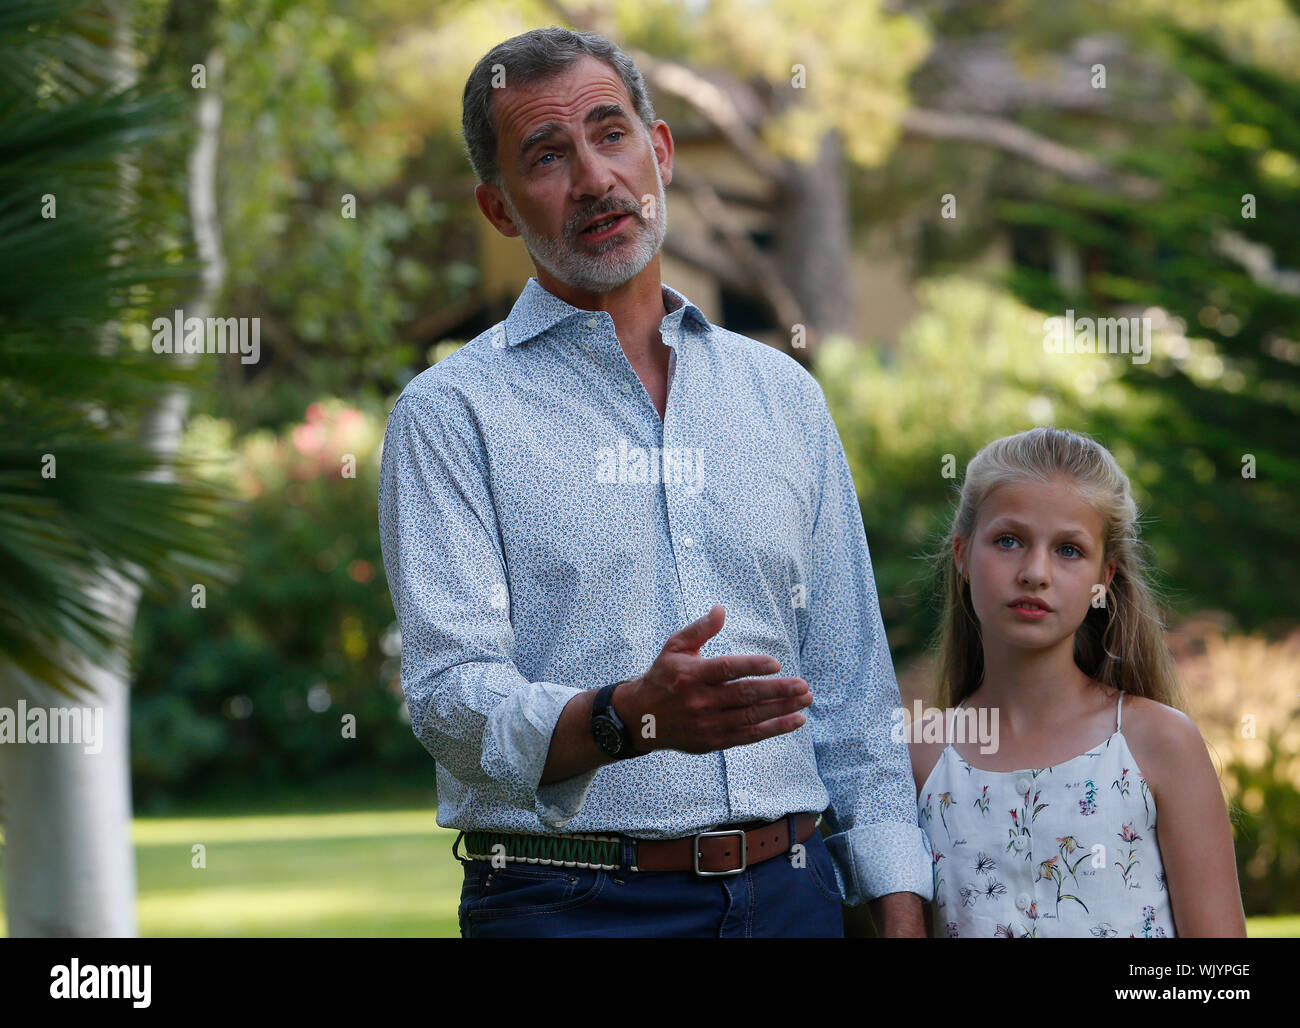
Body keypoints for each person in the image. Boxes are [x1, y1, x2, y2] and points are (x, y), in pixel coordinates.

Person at [376, 26, 932, 937]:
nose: (594, 178)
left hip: (792, 898)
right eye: (547, 155)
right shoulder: (449, 415)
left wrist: (898, 910)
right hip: (567, 906)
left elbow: (853, 689)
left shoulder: (783, 397)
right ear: (500, 209)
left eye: (611, 134)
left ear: (660, 152)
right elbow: (450, 698)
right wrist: (626, 716)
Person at [909, 426, 1247, 937]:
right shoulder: (924, 757)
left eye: (1068, 550)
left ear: (1103, 578)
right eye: (1008, 540)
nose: (1035, 572)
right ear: (961, 555)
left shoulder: (1158, 742)